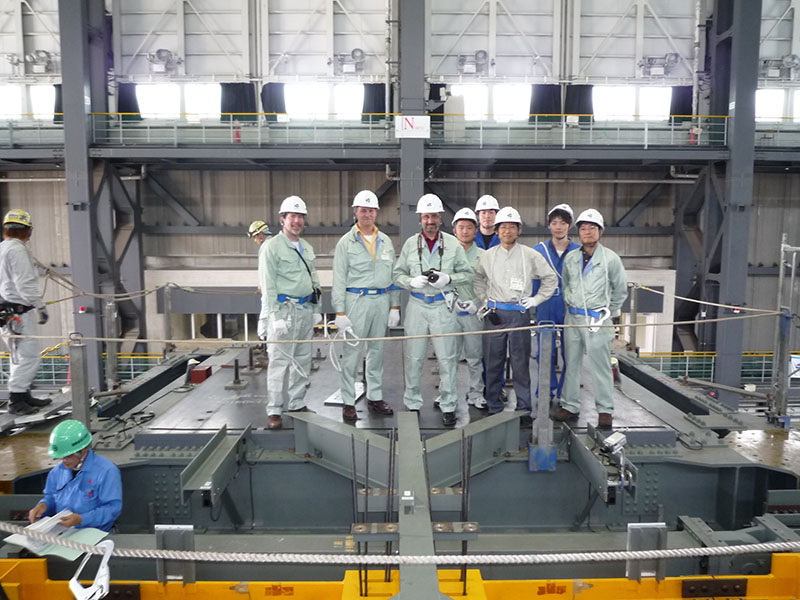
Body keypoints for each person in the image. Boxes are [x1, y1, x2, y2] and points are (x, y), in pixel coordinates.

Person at [393, 194, 473, 427]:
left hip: (442, 305)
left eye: (434, 216)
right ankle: (412, 402)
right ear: (420, 218)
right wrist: (410, 282)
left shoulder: (452, 244)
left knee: (447, 359)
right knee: (413, 357)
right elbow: (397, 275)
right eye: (426, 216)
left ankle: (448, 405)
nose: (430, 220)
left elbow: (466, 275)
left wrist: (448, 278)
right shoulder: (410, 244)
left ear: (440, 218)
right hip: (417, 306)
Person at [473, 207, 557, 425]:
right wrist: (484, 299)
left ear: (519, 230)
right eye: (503, 227)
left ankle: (524, 408)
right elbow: (478, 279)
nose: (507, 231)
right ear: (497, 231)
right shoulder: (487, 256)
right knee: (493, 362)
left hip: (519, 314)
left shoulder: (530, 255)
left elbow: (550, 278)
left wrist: (536, 300)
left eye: (512, 227)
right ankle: (494, 406)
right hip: (495, 315)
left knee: (520, 364)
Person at [554, 208, 628, 430]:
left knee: (601, 366)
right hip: (573, 318)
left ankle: (605, 409)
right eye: (583, 228)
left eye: (591, 228)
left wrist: (609, 312)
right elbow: (566, 283)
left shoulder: (610, 259)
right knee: (571, 363)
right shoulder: (571, 258)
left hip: (598, 320)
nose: (587, 232)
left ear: (600, 231)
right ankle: (569, 404)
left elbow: (620, 289)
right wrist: (571, 304)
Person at [332, 190, 398, 422]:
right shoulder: (345, 243)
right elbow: (339, 279)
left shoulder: (386, 241)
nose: (367, 214)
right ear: (356, 212)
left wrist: (395, 306)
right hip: (355, 302)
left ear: (376, 212)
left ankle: (375, 397)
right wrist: (339, 311)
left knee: (376, 353)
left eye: (371, 210)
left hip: (381, 301)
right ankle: (348, 401)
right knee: (352, 353)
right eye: (363, 210)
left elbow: (393, 276)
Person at [263, 196, 323, 430]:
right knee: (279, 362)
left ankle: (297, 403)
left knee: (302, 360)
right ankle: (274, 409)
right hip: (284, 311)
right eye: (292, 217)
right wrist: (275, 317)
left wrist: (318, 309)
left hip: (306, 310)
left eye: (300, 217)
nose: (297, 221)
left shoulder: (306, 247)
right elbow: (267, 285)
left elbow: (314, 279)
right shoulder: (272, 247)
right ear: (282, 219)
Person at [28, 420, 122, 532]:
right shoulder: (56, 472)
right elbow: (51, 497)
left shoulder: (107, 471)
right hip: (63, 533)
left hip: (96, 534)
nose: (64, 461)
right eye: (61, 457)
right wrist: (44, 505)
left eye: (68, 456)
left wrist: (81, 519)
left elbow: (112, 509)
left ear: (84, 449)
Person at [0, 209, 51, 415]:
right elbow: (24, 284)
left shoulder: (4, 248)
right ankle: (17, 400)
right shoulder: (18, 251)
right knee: (29, 357)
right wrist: (41, 306)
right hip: (19, 313)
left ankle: (22, 395)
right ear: (27, 231)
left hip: (9, 311)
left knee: (18, 357)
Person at [533, 204, 580, 406]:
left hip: (569, 304)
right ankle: (545, 390)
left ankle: (565, 392)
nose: (558, 227)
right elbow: (534, 280)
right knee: (545, 350)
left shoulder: (578, 251)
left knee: (570, 351)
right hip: (546, 302)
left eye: (563, 223)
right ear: (549, 225)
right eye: (554, 223)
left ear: (569, 226)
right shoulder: (539, 250)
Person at [450, 208, 486, 409]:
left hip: (474, 313)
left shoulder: (483, 255)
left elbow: (489, 283)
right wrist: (451, 299)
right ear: (454, 230)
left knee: (474, 356)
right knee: (449, 356)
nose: (465, 231)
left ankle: (476, 393)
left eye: (469, 227)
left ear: (476, 230)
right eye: (461, 227)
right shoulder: (446, 253)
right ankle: (448, 394)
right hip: (451, 311)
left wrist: (478, 304)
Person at [248, 220, 272, 341]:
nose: (255, 240)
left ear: (260, 234)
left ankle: (262, 339)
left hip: (270, 289)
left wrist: (263, 285)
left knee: (266, 312)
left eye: (255, 237)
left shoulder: (266, 247)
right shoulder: (274, 243)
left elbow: (265, 269)